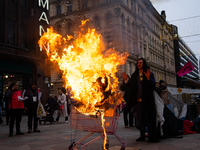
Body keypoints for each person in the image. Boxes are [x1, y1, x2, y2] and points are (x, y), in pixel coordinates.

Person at [129, 58, 159, 142]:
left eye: (141, 63)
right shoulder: (134, 75)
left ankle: (151, 135)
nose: (139, 64)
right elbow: (131, 88)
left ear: (144, 64)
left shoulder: (149, 73)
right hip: (138, 102)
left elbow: (153, 85)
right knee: (140, 119)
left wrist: (148, 78)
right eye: (138, 63)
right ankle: (142, 135)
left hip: (148, 101)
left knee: (150, 119)